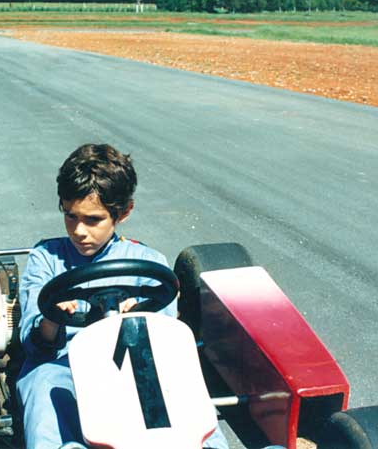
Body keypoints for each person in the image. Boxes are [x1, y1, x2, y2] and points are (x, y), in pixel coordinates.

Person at [16, 143, 228, 449]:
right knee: (44, 382)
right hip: (65, 361)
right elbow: (35, 346)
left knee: (178, 381)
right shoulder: (46, 257)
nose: (78, 231)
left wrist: (141, 317)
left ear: (123, 213)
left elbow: (166, 340)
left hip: (137, 360)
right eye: (70, 216)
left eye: (93, 219)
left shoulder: (148, 261)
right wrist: (52, 317)